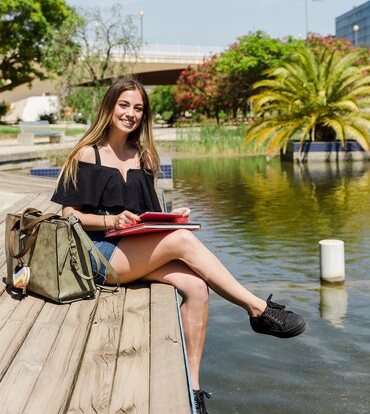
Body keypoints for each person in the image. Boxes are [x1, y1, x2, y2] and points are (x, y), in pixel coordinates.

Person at [52, 77, 306, 414]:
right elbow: (68, 214)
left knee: (198, 287)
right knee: (183, 241)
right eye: (124, 105)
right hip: (99, 255)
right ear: (110, 107)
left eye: (138, 109)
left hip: (134, 251)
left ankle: (194, 389)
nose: (130, 114)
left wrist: (170, 217)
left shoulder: (144, 157)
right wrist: (110, 221)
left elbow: (145, 216)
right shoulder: (90, 153)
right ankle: (257, 309)